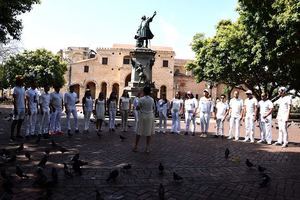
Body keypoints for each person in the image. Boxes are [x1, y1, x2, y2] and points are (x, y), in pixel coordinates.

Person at [133, 86, 155, 153]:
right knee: (148, 133)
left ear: (144, 91)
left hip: (142, 116)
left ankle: (136, 147)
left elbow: (137, 108)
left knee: (139, 131)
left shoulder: (141, 99)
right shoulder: (152, 99)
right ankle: (147, 148)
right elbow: (153, 107)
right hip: (150, 116)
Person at [10, 76, 26, 141]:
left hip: (22, 107)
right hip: (17, 107)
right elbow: (13, 99)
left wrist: (25, 107)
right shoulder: (15, 89)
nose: (23, 81)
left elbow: (24, 98)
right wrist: (16, 108)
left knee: (20, 121)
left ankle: (18, 134)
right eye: (21, 80)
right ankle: (11, 135)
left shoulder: (23, 88)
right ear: (18, 81)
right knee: (15, 121)